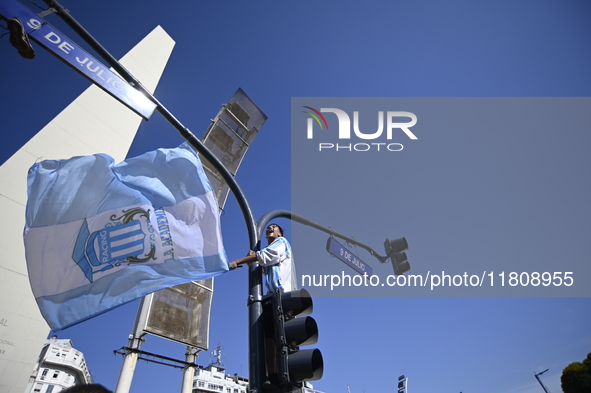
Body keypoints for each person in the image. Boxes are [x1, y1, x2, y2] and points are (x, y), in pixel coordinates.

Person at [229, 223, 296, 293]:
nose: (270, 228)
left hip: (284, 293)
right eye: (268, 227)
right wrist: (250, 261)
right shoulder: (271, 256)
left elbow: (264, 255)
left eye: (274, 227)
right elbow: (262, 268)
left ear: (279, 234)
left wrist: (236, 262)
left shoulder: (281, 241)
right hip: (274, 294)